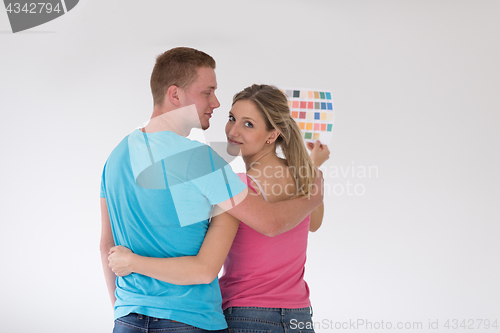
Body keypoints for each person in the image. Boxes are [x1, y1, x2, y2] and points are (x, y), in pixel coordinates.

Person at [100, 48, 324, 333]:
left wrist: (123, 308)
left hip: (128, 317)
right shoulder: (201, 160)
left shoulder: (115, 157)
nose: (216, 103)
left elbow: (105, 246)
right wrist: (314, 195)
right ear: (175, 95)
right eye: (208, 92)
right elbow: (269, 223)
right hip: (190, 319)